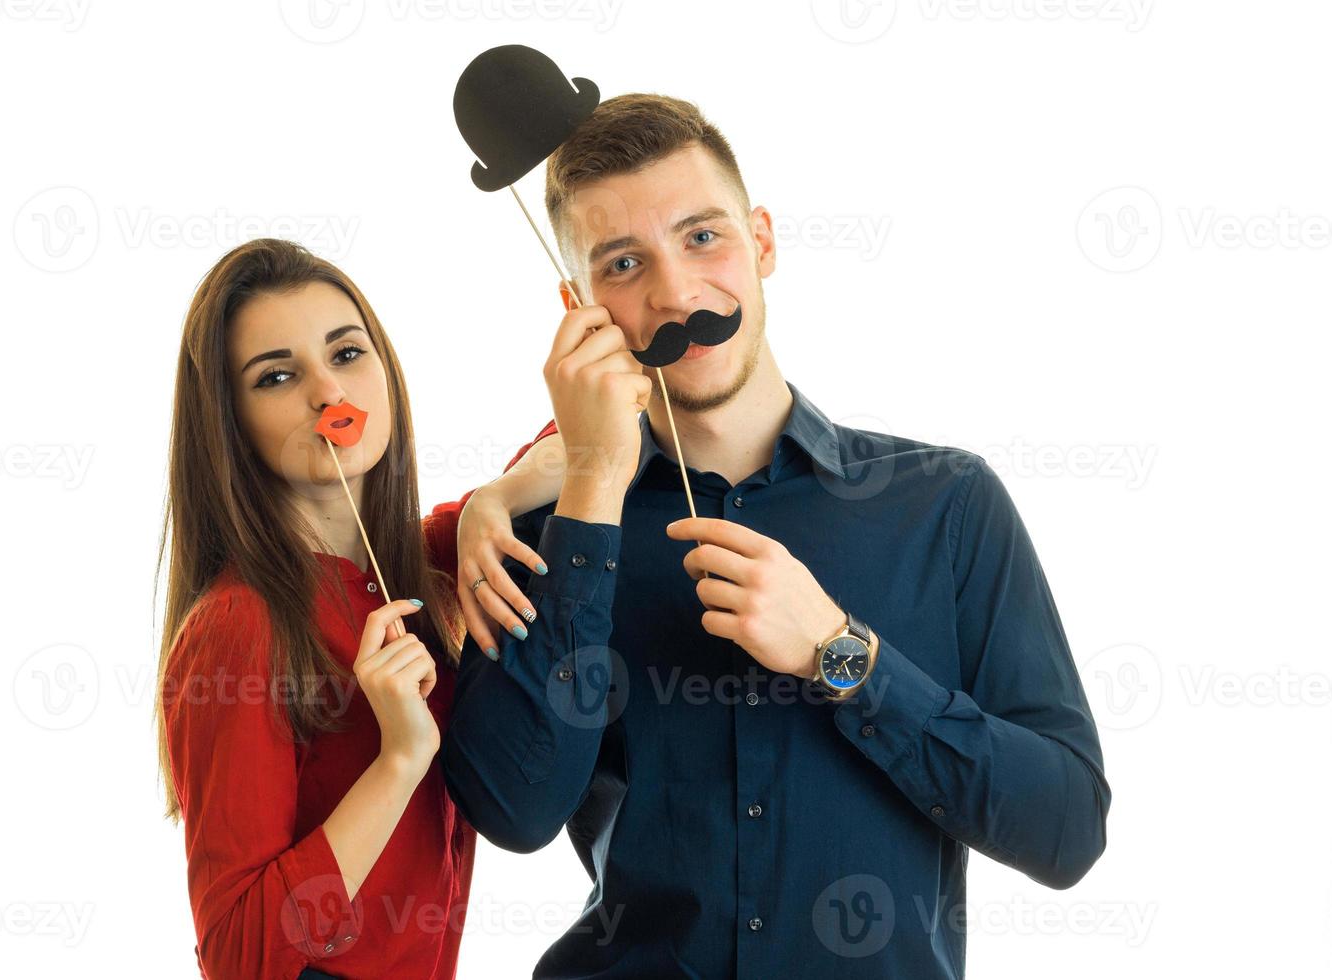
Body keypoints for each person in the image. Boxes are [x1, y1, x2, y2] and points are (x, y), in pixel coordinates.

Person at [440, 94, 1112, 979]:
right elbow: (514, 811)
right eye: (624, 262)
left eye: (702, 237)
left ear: (761, 241)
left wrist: (842, 654)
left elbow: (1065, 833)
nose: (676, 292)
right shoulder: (547, 531)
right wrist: (594, 484)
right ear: (579, 304)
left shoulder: (947, 504)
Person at [153, 238, 565, 978]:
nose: (325, 392)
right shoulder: (236, 628)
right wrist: (399, 760)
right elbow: (237, 956)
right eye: (277, 376)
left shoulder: (424, 563)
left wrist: (495, 501)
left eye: (346, 354)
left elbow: (575, 438)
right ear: (229, 422)